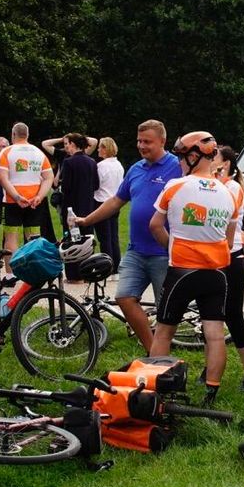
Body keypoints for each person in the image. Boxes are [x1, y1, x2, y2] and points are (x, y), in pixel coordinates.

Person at [74, 120, 182, 351]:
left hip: (164, 252)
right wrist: (87, 220)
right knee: (124, 297)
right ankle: (153, 350)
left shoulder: (178, 167)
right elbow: (116, 201)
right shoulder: (136, 169)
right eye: (139, 141)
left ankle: (161, 357)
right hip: (136, 251)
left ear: (162, 141)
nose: (141, 146)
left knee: (166, 311)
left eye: (147, 142)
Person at [149, 131, 238, 405]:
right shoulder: (228, 192)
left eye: (181, 156)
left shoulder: (176, 186)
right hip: (216, 272)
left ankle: (155, 387)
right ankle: (211, 392)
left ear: (193, 156)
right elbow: (229, 240)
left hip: (182, 270)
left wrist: (170, 246)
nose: (178, 162)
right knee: (215, 335)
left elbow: (155, 225)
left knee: (164, 331)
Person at [215, 145, 244, 392]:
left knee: (233, 316)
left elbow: (223, 215)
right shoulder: (215, 184)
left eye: (215, 158)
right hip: (213, 258)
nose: (210, 161)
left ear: (226, 163)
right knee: (211, 315)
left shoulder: (232, 187)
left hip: (232, 256)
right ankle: (210, 367)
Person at [0, 122, 53, 275]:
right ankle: (33, 273)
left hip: (12, 201)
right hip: (34, 201)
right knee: (33, 238)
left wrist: (16, 196)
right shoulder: (38, 152)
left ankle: (11, 275)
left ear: (13, 135)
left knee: (11, 238)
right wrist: (40, 196)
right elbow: (49, 177)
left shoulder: (6, 152)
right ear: (27, 135)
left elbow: (2, 177)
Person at [57, 132, 99, 283]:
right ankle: (87, 272)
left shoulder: (69, 162)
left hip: (72, 207)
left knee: (73, 239)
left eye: (67, 144)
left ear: (73, 145)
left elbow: (66, 187)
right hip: (88, 206)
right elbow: (96, 185)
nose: (66, 147)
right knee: (87, 238)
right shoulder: (92, 162)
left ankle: (74, 274)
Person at [94, 137, 125, 267]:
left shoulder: (101, 166)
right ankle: (116, 265)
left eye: (100, 147)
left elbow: (96, 184)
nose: (98, 150)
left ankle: (107, 266)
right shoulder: (119, 165)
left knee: (104, 238)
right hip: (115, 202)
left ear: (105, 149)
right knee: (113, 236)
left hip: (101, 202)